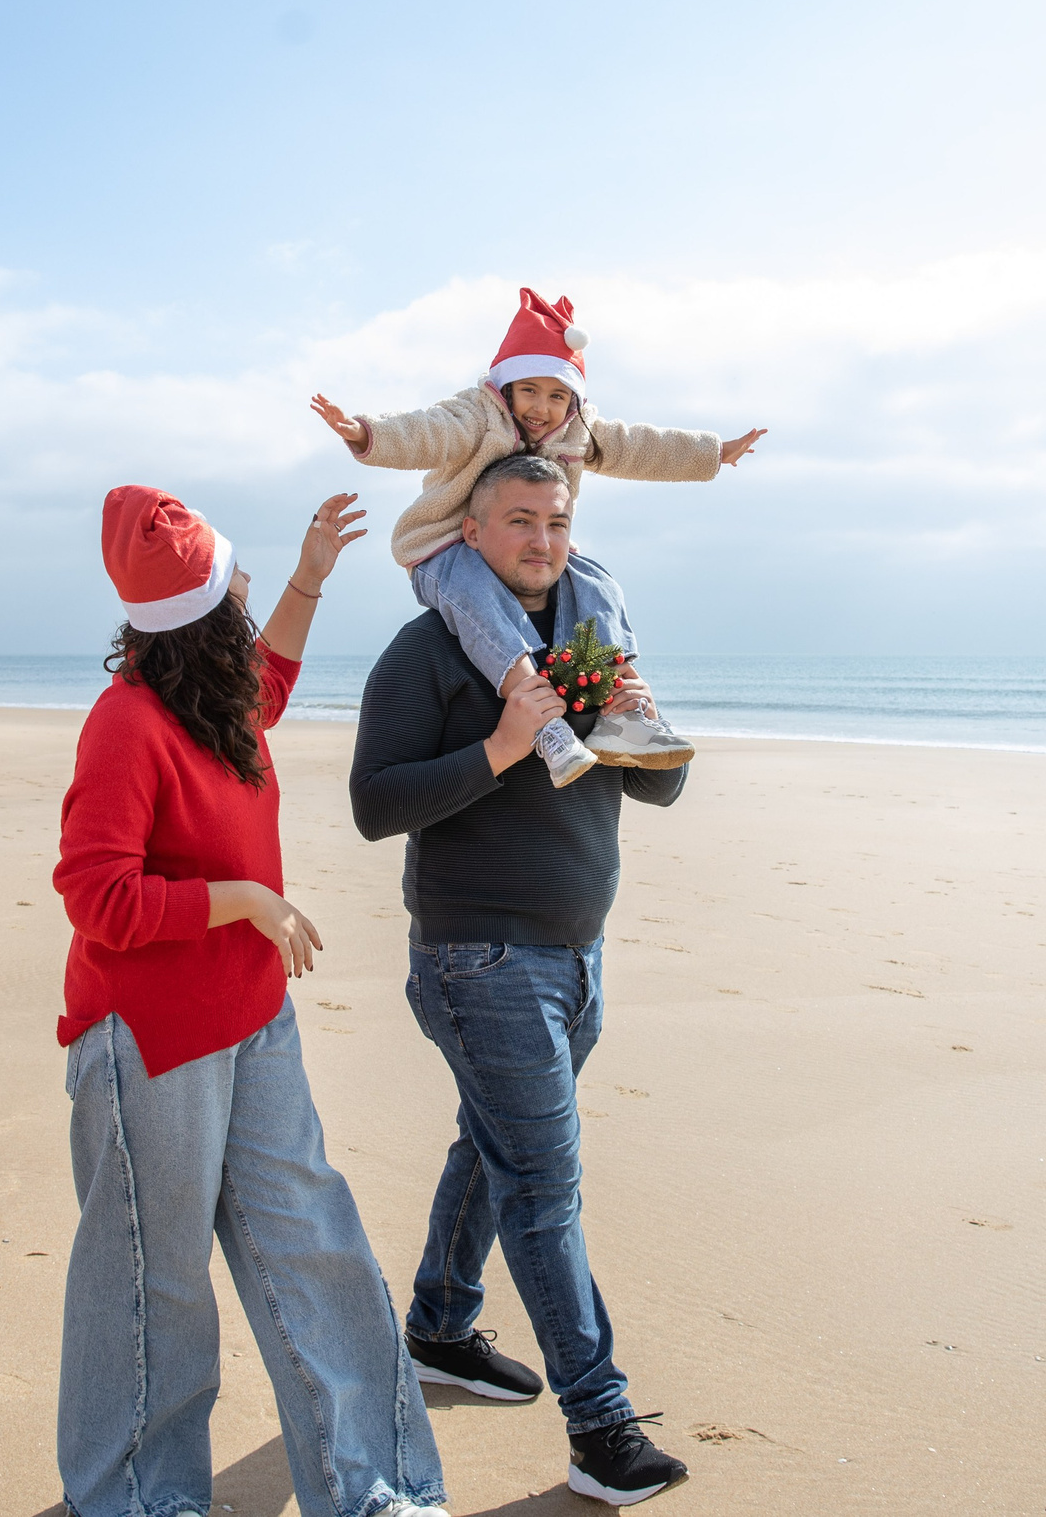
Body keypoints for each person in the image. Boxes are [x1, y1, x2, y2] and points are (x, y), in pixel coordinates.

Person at [53, 485, 447, 1517]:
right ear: (200, 622)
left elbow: (264, 684)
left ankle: (375, 1487)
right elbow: (96, 894)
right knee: (154, 1280)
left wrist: (313, 571)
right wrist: (242, 899)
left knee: (312, 1245)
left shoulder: (212, 697)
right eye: (238, 584)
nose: (247, 593)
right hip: (150, 1039)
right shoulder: (126, 725)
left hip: (252, 1017)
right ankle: (143, 1498)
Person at [347, 453, 695, 1507]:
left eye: (554, 519)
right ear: (470, 531)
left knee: (493, 1144)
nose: (540, 539)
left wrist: (638, 712)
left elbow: (666, 785)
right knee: (543, 1183)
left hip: (578, 946)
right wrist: (502, 746)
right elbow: (373, 801)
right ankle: (600, 1422)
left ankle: (440, 1325)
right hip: (478, 954)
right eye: (516, 520)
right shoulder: (431, 649)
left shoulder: (591, 637)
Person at [311, 286, 765, 788]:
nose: (541, 408)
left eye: (557, 396)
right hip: (444, 547)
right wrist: (366, 434)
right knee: (478, 599)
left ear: (573, 400)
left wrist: (712, 453)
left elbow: (639, 446)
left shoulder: (579, 431)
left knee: (598, 583)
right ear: (505, 388)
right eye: (529, 390)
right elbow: (428, 431)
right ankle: (546, 725)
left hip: (533, 557)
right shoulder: (477, 416)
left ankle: (624, 713)